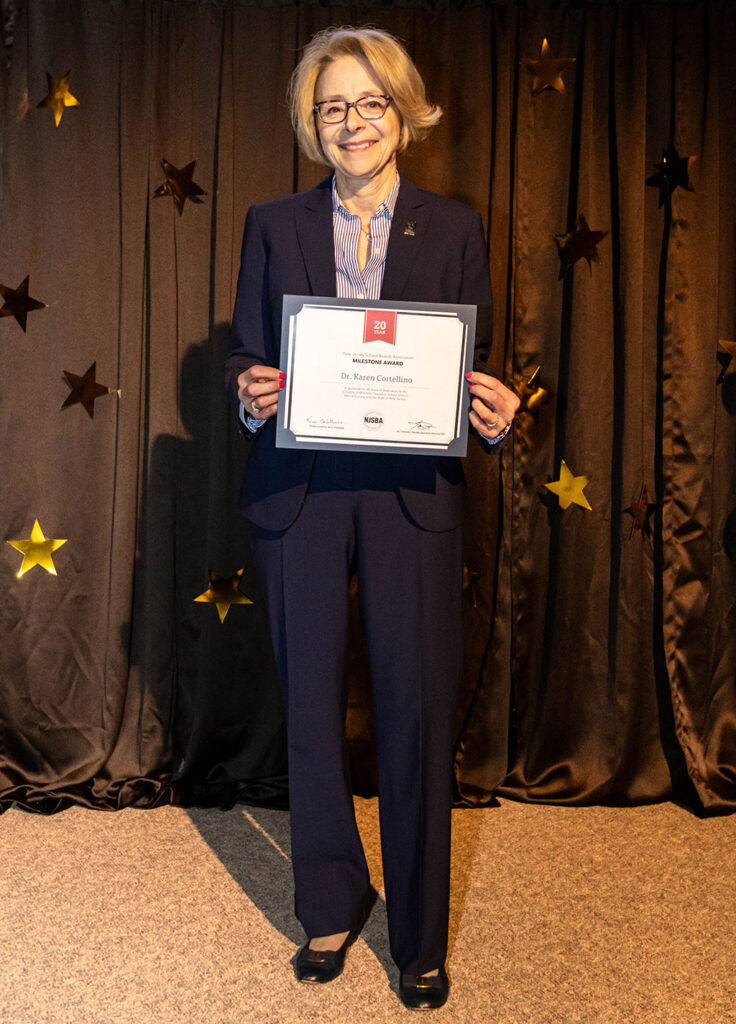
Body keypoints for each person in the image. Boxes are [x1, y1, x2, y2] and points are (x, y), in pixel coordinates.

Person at [224, 25, 519, 1011]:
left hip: (409, 499)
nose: (352, 123)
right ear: (314, 124)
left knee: (415, 711)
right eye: (332, 106)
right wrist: (251, 392)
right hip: (298, 490)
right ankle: (329, 899)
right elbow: (245, 354)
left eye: (369, 102)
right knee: (309, 709)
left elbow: (470, 368)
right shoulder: (272, 221)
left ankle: (420, 935)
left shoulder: (456, 226)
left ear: (403, 111)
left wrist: (494, 408)